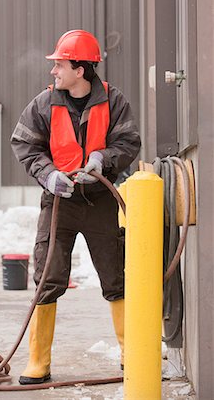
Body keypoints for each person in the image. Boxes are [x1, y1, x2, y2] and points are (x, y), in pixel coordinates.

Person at [11, 30, 141, 385]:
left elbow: (129, 140)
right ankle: (37, 362)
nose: (54, 71)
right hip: (59, 203)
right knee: (48, 278)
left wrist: (104, 158)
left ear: (80, 69)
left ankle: (133, 355)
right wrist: (48, 175)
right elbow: (24, 144)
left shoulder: (114, 101)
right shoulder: (43, 103)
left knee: (116, 277)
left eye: (60, 65)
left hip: (100, 201)